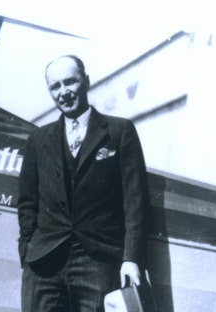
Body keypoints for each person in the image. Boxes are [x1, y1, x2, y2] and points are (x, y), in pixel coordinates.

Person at [17, 55, 149, 311]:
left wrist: (131, 258)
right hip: (44, 264)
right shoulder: (38, 139)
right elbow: (27, 203)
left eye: (70, 82)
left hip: (98, 261)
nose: (63, 92)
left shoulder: (120, 132)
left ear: (86, 82)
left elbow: (135, 202)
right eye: (55, 87)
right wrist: (27, 251)